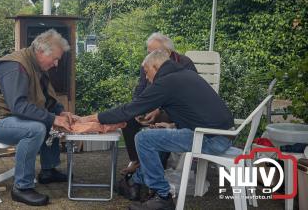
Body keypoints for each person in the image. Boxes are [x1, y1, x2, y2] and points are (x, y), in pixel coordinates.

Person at [76, 50, 234, 210]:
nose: (145, 77)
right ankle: (136, 182)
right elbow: (195, 112)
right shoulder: (186, 74)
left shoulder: (166, 82)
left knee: (144, 139)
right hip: (223, 135)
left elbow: (128, 110)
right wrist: (172, 126)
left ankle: (162, 197)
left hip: (209, 139)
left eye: (146, 71)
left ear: (156, 66)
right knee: (154, 137)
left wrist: (91, 118)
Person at [0, 29, 73, 206]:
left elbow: (46, 97)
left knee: (49, 118)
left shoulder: (35, 64)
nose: (56, 64)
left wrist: (60, 112)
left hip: (7, 118)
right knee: (35, 129)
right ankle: (22, 188)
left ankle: (48, 171)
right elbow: (19, 106)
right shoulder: (14, 66)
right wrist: (52, 118)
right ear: (41, 51)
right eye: (55, 59)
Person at [121, 32, 197, 175]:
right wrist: (137, 108)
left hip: (173, 110)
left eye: (154, 52)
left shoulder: (183, 63)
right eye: (148, 51)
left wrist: (158, 109)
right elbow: (141, 88)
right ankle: (136, 160)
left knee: (159, 124)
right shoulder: (148, 62)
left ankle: (153, 170)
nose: (149, 55)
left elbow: (183, 96)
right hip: (151, 105)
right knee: (129, 118)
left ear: (167, 51)